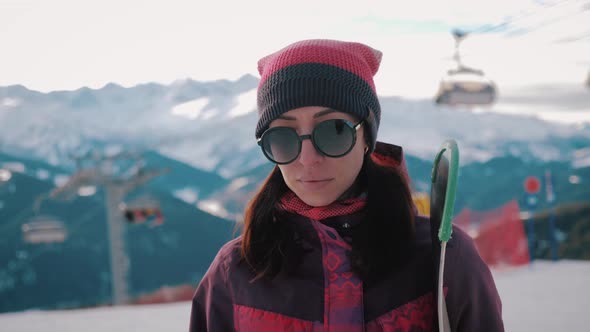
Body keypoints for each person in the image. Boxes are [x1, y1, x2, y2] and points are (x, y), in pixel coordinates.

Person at [190, 39, 504, 331]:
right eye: (283, 138)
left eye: (334, 131)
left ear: (367, 137)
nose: (308, 159)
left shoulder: (442, 259)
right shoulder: (234, 273)